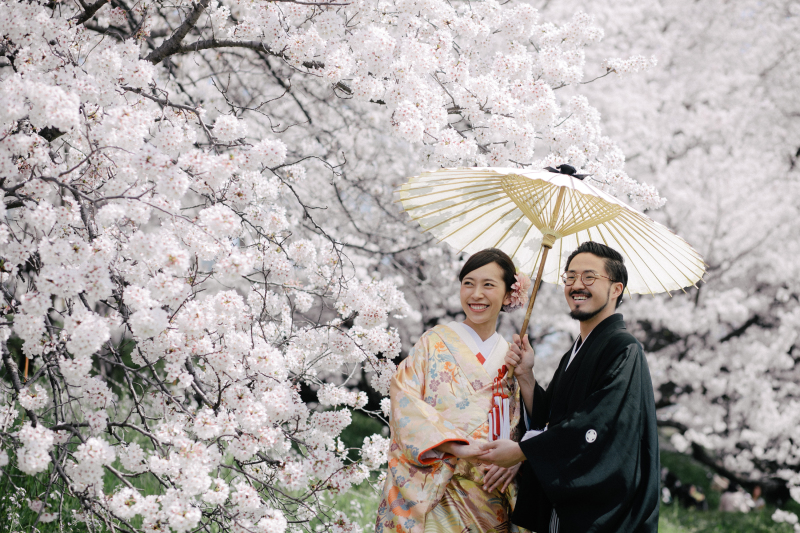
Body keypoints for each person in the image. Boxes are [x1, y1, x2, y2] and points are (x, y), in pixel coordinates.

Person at [478, 241, 660, 532]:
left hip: (604, 514)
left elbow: (597, 424)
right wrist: (526, 375)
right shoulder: (574, 352)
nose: (577, 285)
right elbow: (552, 419)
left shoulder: (624, 349)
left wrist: (523, 450)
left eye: (589, 277)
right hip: (565, 510)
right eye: (570, 277)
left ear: (616, 289)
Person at [375, 248, 532, 533]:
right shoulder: (433, 342)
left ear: (510, 295)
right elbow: (405, 400)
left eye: (488, 285)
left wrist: (516, 458)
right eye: (468, 283)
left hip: (490, 493)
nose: (476, 294)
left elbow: (524, 425)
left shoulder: (513, 356)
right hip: (438, 485)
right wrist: (457, 446)